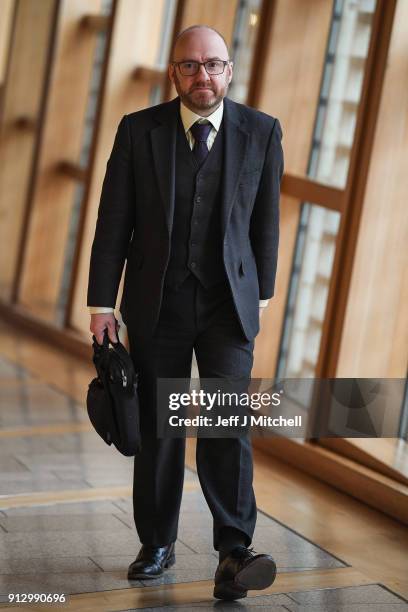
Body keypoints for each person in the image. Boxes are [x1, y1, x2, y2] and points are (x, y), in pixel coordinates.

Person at [87, 24, 284, 601]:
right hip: (157, 303)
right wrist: (103, 304)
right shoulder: (137, 130)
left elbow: (265, 223)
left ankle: (234, 549)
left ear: (229, 70)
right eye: (192, 66)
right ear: (175, 73)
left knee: (226, 425)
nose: (205, 76)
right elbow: (112, 223)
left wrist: (262, 298)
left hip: (228, 307)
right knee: (158, 427)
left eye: (215, 64)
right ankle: (157, 543)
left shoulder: (262, 131)